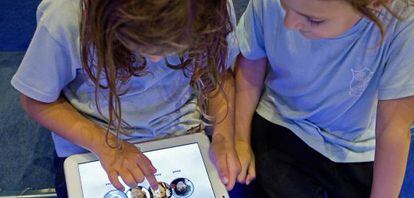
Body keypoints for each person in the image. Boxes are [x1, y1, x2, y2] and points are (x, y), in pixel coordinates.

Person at [11, 0, 241, 197]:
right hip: (92, 140)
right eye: (140, 45)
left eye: (175, 47)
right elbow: (36, 100)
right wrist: (107, 146)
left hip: (184, 132)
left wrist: (222, 136)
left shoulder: (212, 9)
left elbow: (218, 75)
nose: (155, 59)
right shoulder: (65, 16)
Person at [234, 0, 414, 197]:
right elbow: (252, 58)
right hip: (284, 119)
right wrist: (240, 139)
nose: (288, 23)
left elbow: (394, 127)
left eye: (314, 20)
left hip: (356, 143)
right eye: (283, 6)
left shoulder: (405, 20)